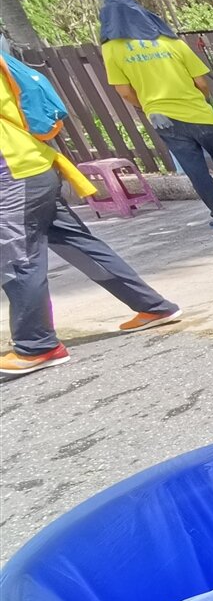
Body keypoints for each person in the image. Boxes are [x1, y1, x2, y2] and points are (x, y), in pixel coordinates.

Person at [1, 53, 180, 379]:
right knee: (78, 244)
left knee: (18, 259)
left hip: (13, 175)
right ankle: (153, 306)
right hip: (34, 166)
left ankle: (36, 345)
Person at [100, 0, 213, 229]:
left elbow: (124, 91)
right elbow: (202, 83)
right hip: (199, 113)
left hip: (163, 119)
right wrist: (198, 101)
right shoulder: (171, 41)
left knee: (196, 170)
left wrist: (147, 106)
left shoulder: (112, 49)